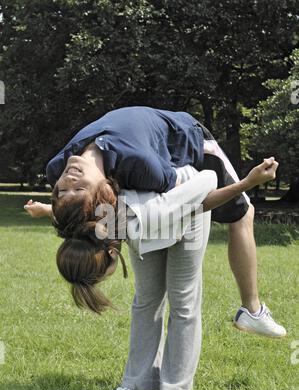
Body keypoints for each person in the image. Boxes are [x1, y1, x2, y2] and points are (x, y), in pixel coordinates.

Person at [25, 158, 283, 390]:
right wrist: (46, 210)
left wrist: (248, 183)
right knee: (146, 300)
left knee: (183, 300)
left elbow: (208, 181)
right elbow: (76, 214)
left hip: (189, 210)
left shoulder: (137, 218)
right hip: (149, 220)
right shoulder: (106, 223)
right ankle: (137, 385)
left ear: (112, 255)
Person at [25, 106, 286, 337]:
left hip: (184, 136)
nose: (68, 183)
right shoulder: (143, 168)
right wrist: (248, 183)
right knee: (244, 213)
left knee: (240, 213)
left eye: (60, 192)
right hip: (179, 150)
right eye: (77, 191)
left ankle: (250, 311)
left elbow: (85, 214)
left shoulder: (57, 168)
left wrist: (49, 209)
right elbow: (195, 198)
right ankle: (252, 312)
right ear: (103, 193)